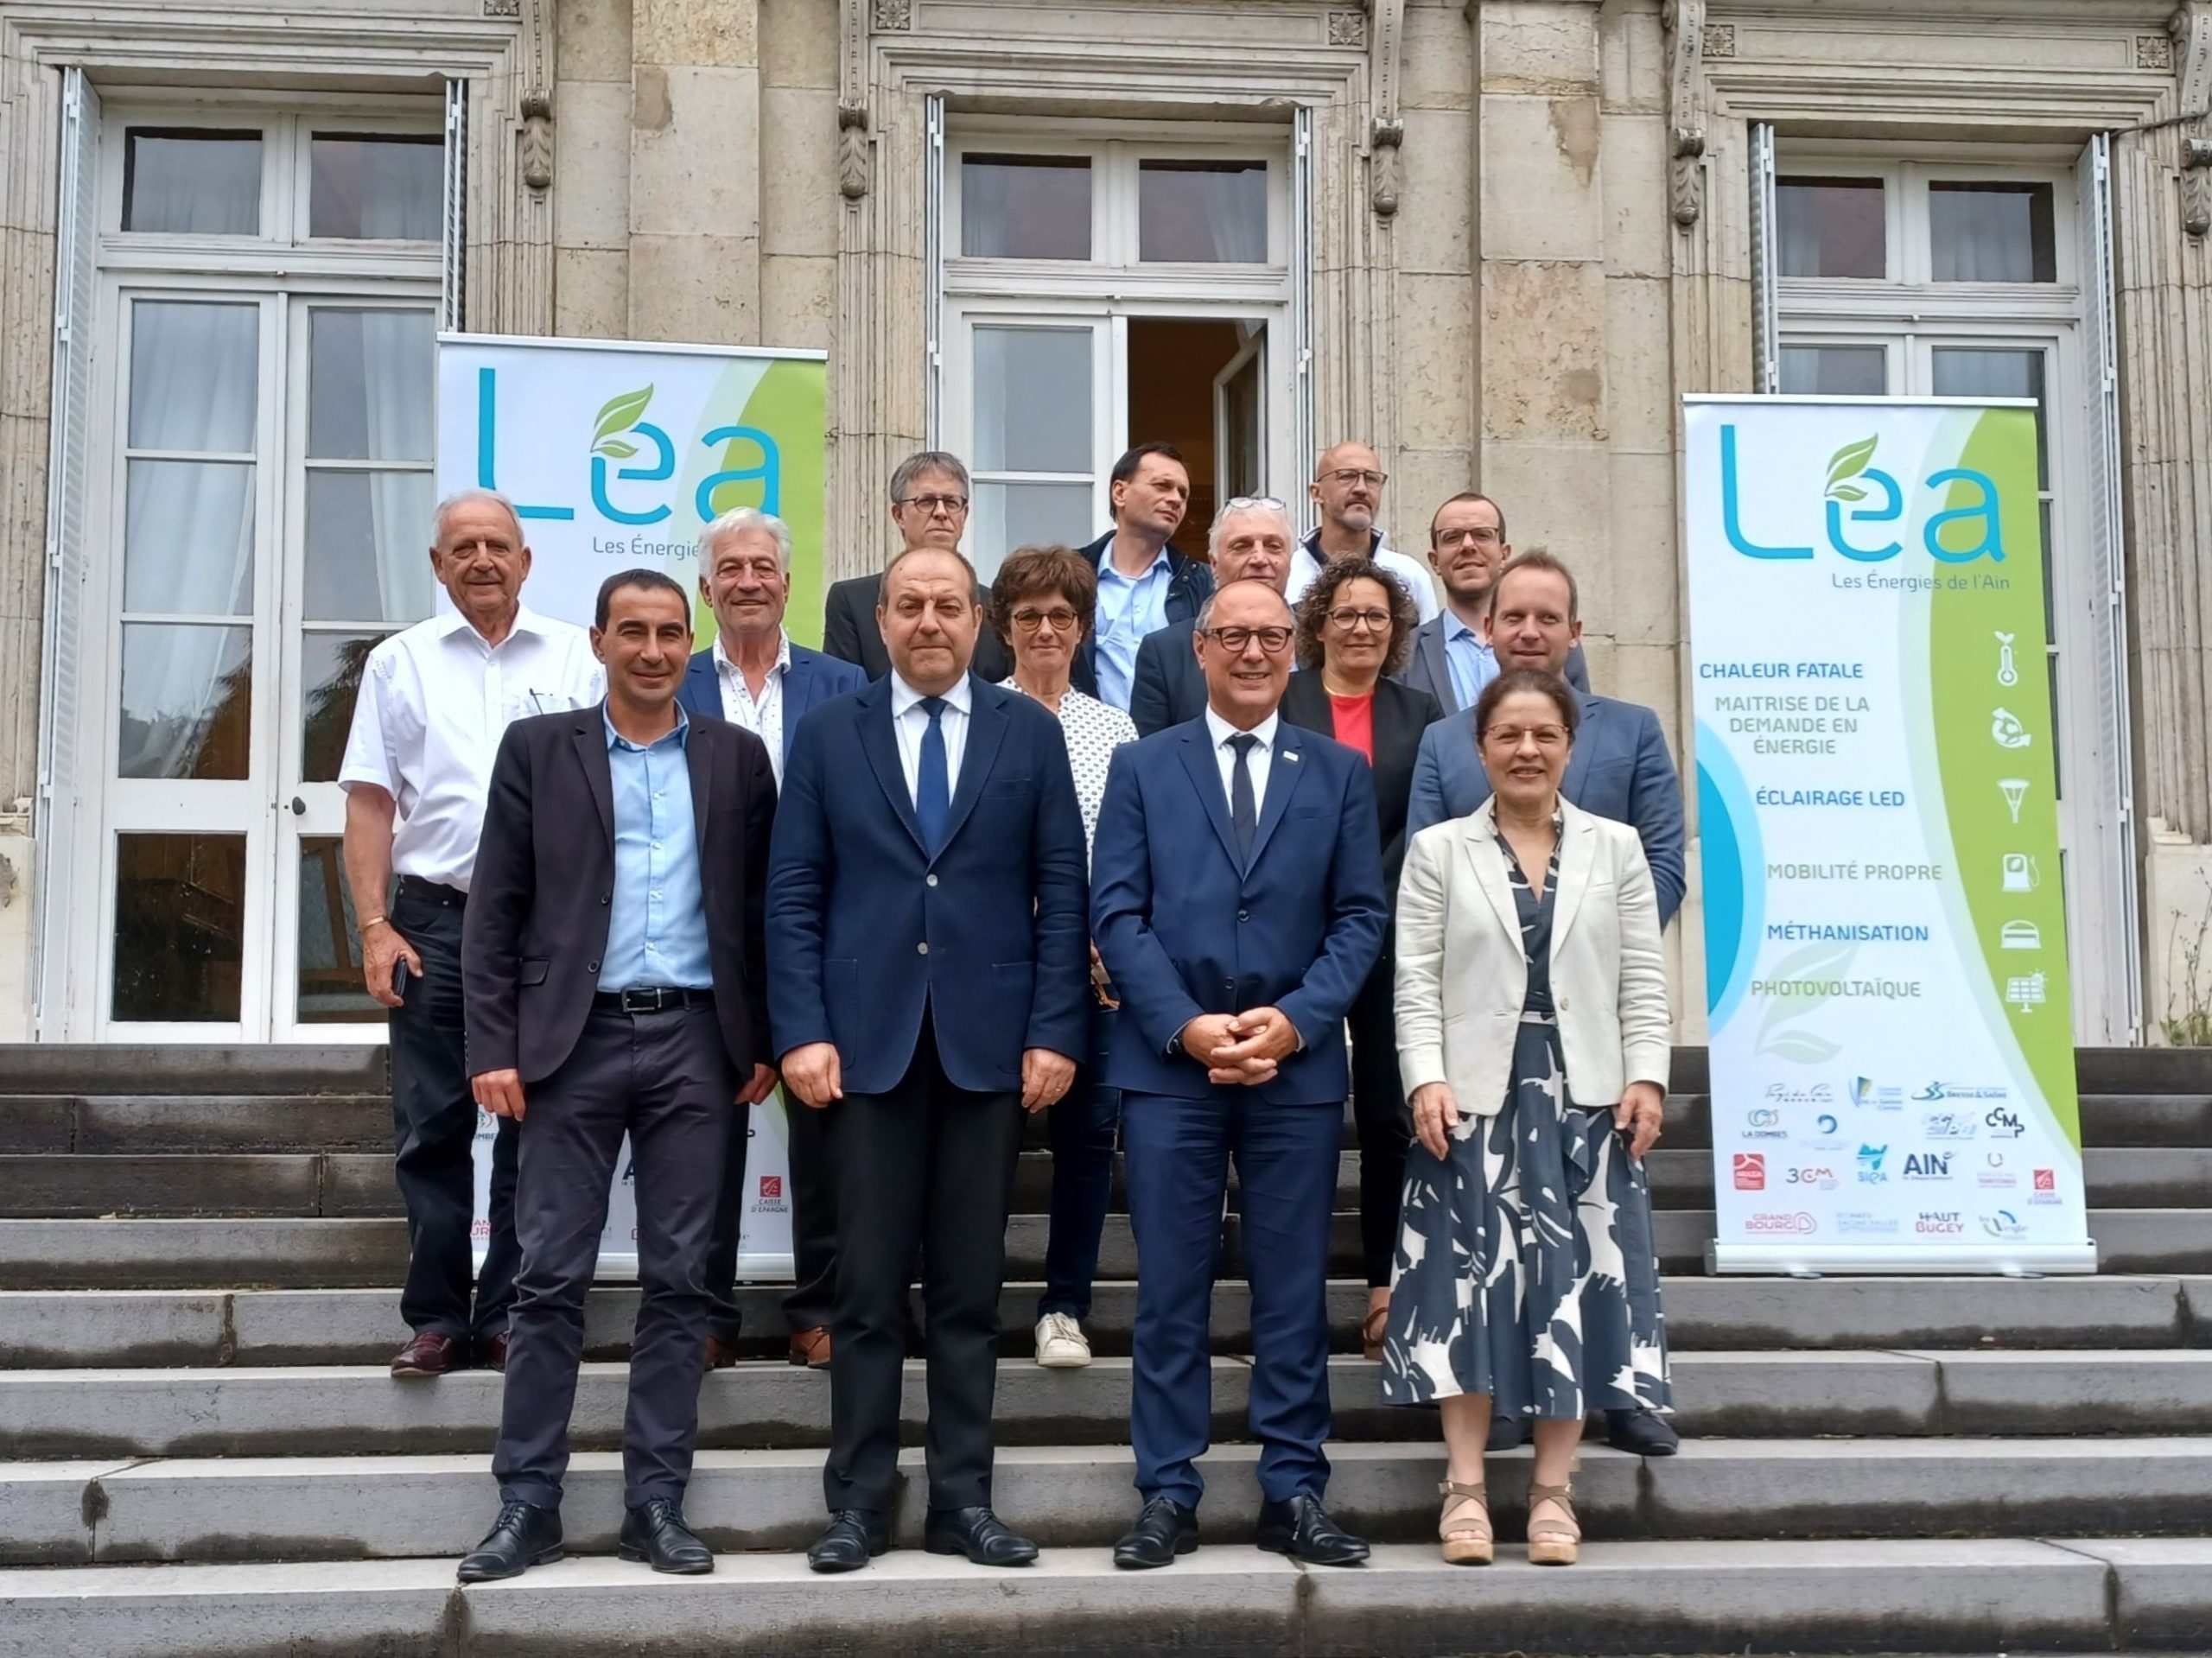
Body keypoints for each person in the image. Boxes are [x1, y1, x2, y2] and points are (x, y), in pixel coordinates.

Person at [768, 546, 1090, 1573]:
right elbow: (792, 894)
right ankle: (858, 1503)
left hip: (988, 1051)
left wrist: (1054, 1028)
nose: (927, 623)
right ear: (885, 617)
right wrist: (801, 1030)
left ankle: (963, 1501)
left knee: (966, 1293)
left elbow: (1062, 892)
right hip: (861, 1051)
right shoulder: (826, 733)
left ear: (978, 617)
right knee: (865, 1292)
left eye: (947, 605)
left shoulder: (1027, 734)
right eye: (908, 605)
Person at [454, 569, 780, 1583]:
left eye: (669, 633)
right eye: (630, 631)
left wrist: (765, 1035)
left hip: (697, 1039)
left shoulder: (736, 757)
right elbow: (493, 910)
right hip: (569, 1043)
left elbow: (766, 907)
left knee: (684, 1280)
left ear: (692, 643)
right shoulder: (538, 751)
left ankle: (656, 1501)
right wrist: (491, 1047)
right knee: (547, 1276)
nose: (651, 649)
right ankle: (528, 1502)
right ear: (595, 641)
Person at [1091, 579, 1387, 1571]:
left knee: (1293, 1289)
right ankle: (1166, 1491)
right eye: (1234, 635)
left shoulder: (1338, 771)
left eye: (1270, 635)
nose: (1253, 651)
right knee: (1171, 1288)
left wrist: (1296, 1023)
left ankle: (1293, 1489)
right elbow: (1116, 914)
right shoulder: (1142, 766)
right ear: (1202, 648)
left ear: (1292, 652)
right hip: (1172, 1069)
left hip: (1293, 1072)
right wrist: (1185, 1025)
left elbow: (1359, 918)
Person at [1385, 666, 1672, 1568]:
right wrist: (1423, 1077)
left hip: (1585, 1099)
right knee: (1465, 1292)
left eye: (1543, 734)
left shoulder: (1616, 847)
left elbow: (1641, 977)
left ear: (1568, 746)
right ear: (1480, 748)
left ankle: (1554, 1490)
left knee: (1577, 1290)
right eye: (1507, 734)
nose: (1526, 749)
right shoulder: (1438, 849)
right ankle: (1464, 1485)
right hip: (1471, 1100)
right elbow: (1415, 979)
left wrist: (1648, 1077)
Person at [340, 487, 602, 1381]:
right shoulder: (398, 663)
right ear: (437, 563)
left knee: (538, 1126)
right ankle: (440, 1316)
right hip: (434, 924)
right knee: (432, 1128)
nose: (483, 558)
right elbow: (371, 803)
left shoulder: (579, 655)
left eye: (499, 544)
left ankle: (508, 1314)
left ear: (526, 561)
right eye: (464, 546)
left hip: (547, 932)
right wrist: (375, 926)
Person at [676, 507, 866, 1373]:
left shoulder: (845, 685)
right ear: (706, 586)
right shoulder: (669, 682)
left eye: (763, 565)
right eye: (731, 567)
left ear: (788, 583)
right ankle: (704, 1310)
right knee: (701, 1134)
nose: (748, 579)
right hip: (697, 938)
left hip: (821, 941)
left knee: (825, 1138)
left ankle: (818, 1307)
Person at [1279, 558, 1443, 1360]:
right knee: (1293, 1120)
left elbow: (1431, 823)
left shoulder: (1421, 711)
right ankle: (1289, 1291)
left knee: (1387, 1115)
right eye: (1345, 614)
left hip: (1392, 933)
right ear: (1318, 624)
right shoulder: (1286, 697)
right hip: (1289, 933)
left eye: (1377, 615)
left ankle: (1386, 1285)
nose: (1362, 628)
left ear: (1397, 628)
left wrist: (1368, 899)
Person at [987, 547, 1141, 1371]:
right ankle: (970, 1298)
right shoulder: (979, 714)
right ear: (1003, 627)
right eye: (1029, 617)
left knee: (1088, 1142)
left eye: (1061, 617)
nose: (1046, 631)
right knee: (987, 1140)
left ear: (1082, 629)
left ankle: (1064, 1307)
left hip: (1096, 972)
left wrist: (1098, 934)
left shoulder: (1115, 728)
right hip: (998, 966)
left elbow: (1127, 850)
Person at [820, 451, 1010, 683]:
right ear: (898, 514)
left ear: (965, 514)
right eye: (926, 502)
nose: (941, 513)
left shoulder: (996, 606)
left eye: (951, 502)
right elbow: (843, 694)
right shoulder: (852, 601)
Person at [1398, 492, 1588, 713]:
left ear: (1504, 554)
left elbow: (1582, 720)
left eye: (1482, 535)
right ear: (1435, 561)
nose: (1468, 546)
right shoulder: (1406, 652)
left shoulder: (1555, 640)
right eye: (1452, 537)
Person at [1128, 497, 1295, 737]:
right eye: (1242, 546)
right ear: (1214, 564)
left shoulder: (1321, 639)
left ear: (1290, 562)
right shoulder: (1165, 653)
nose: (1260, 559)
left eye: (1273, 546)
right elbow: (1151, 762)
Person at [1074, 442, 1211, 712]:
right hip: (1088, 742)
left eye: (1183, 494)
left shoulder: (1201, 582)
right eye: (1162, 486)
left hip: (1172, 744)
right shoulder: (1071, 574)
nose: (1176, 499)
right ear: (1120, 492)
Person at [1287, 442, 1440, 624]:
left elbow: (1428, 648)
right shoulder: (1290, 575)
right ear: (1316, 493)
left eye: (1372, 479)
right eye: (1347, 476)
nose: (1361, 488)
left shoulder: (1409, 575)